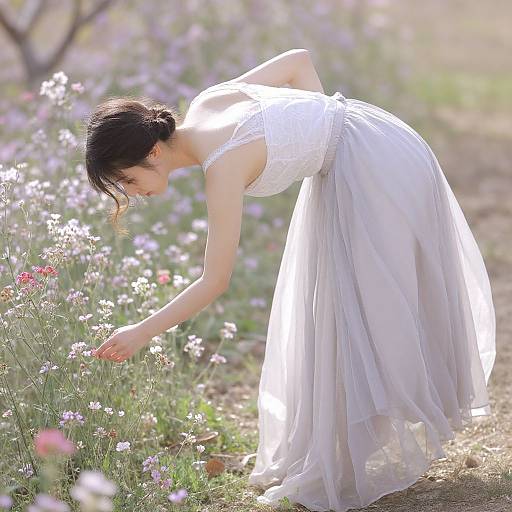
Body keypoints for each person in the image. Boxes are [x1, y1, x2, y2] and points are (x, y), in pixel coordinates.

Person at [85, 49, 496, 511]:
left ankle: (381, 426)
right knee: (346, 301)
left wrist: (141, 332)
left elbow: (215, 279)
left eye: (126, 179)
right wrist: (315, 134)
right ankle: (359, 435)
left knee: (371, 300)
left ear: (152, 152)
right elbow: (297, 62)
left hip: (375, 164)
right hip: (375, 134)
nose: (131, 193)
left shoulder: (222, 167)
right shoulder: (206, 104)